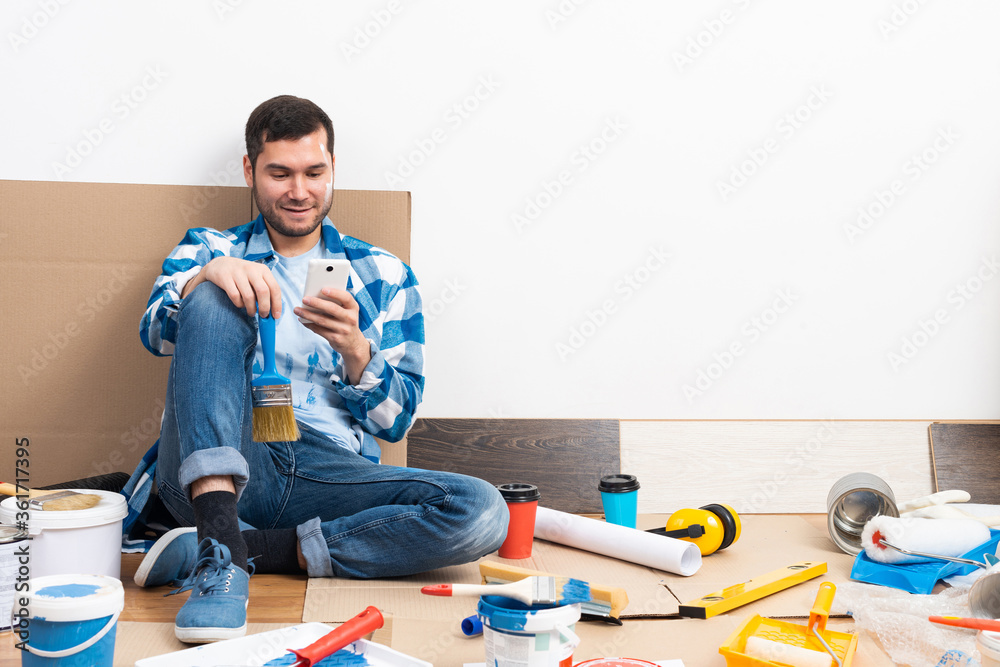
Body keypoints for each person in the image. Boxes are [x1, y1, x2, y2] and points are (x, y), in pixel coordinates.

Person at [132, 95, 508, 643]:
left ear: (333, 169)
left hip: (327, 471)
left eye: (314, 172)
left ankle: (238, 547)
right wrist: (205, 277)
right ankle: (219, 545)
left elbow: (396, 423)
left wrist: (356, 349)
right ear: (250, 171)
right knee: (213, 298)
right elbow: (153, 333)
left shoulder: (381, 272)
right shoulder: (211, 248)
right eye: (279, 173)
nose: (299, 191)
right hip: (232, 453)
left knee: (480, 510)